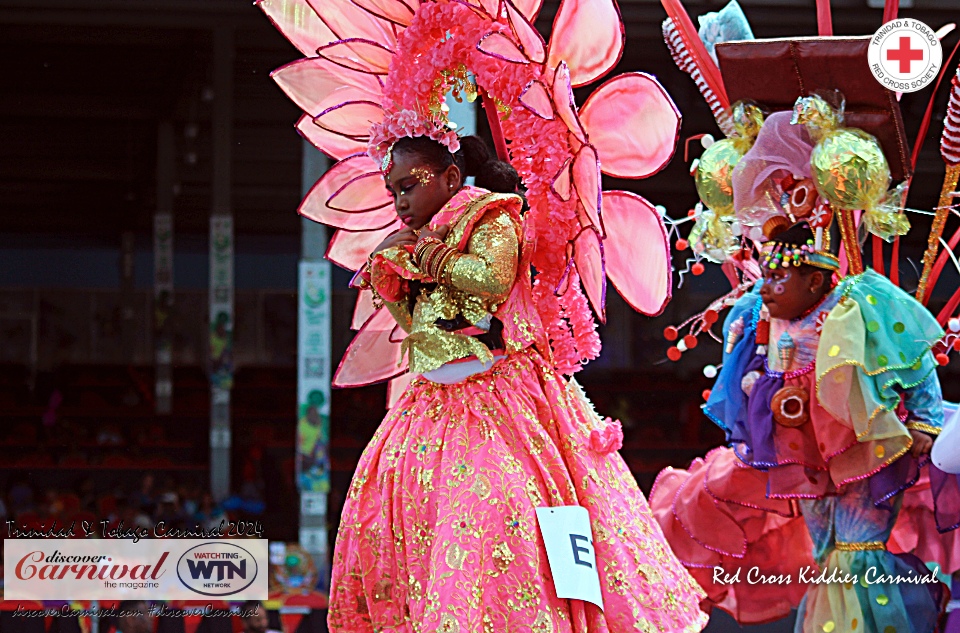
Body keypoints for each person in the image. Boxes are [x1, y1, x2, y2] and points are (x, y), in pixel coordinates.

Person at [327, 118, 709, 632]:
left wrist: (429, 256)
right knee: (410, 520)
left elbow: (489, 282)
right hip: (433, 403)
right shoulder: (417, 240)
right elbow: (421, 328)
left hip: (506, 395)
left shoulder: (494, 217)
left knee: (500, 513)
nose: (399, 201)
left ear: (451, 178)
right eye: (392, 190)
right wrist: (393, 281)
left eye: (409, 185)